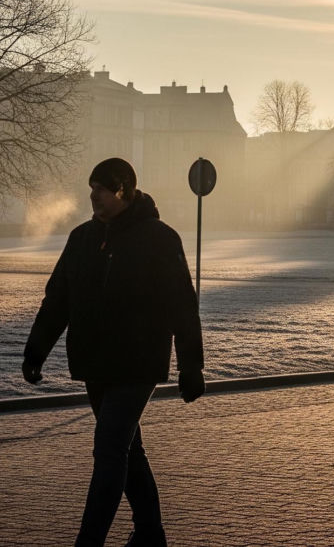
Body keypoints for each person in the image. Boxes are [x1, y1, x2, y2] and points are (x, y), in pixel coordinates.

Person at [22, 158, 205, 547]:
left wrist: (192, 367)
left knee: (108, 449)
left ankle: (88, 542)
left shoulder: (160, 238)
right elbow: (58, 299)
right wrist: (36, 350)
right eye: (91, 188)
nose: (94, 196)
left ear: (123, 189)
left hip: (138, 364)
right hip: (95, 364)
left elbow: (182, 306)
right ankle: (151, 535)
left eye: (101, 189)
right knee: (127, 450)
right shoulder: (81, 238)